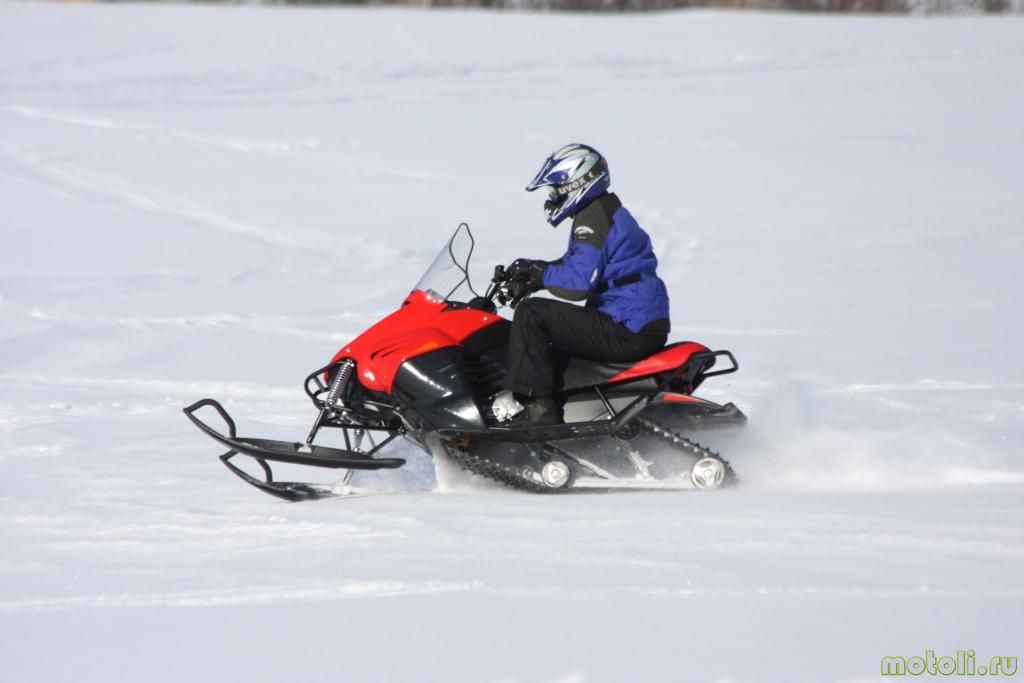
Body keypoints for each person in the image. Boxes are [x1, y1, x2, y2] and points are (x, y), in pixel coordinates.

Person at [501, 143, 671, 426]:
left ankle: (538, 411)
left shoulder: (593, 218)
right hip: (633, 321)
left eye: (556, 190)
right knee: (550, 335)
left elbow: (578, 283)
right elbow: (580, 264)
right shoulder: (603, 211)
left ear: (578, 182)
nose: (553, 198)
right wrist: (534, 274)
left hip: (626, 326)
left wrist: (540, 275)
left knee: (532, 314)